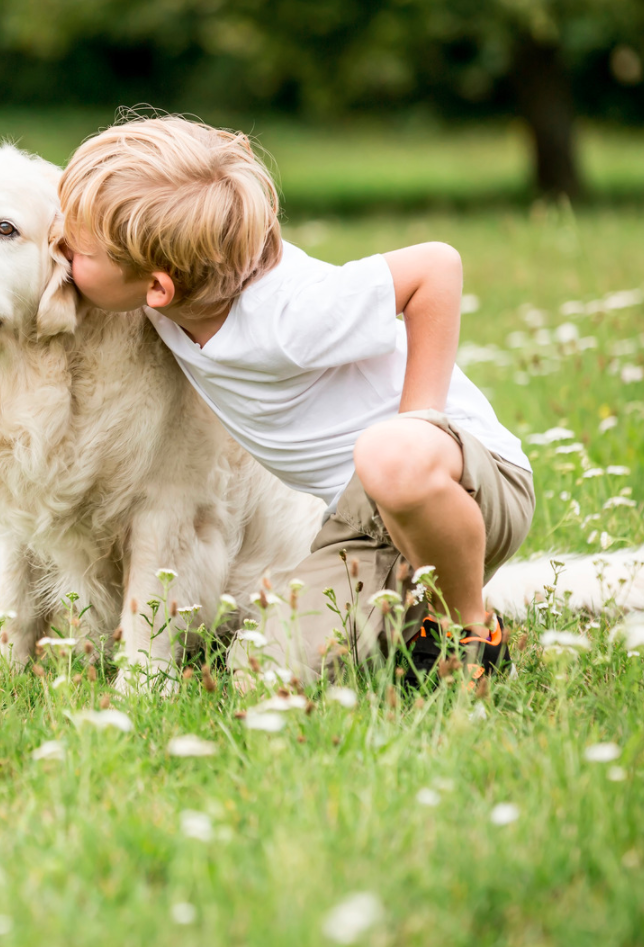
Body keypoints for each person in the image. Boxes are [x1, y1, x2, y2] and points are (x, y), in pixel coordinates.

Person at [59, 114, 534, 681]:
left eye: (76, 248)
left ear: (157, 288)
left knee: (391, 456)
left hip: (467, 483)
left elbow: (437, 267)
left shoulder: (290, 313)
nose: (57, 248)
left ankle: (470, 629)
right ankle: (405, 624)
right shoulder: (178, 298)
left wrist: (421, 423)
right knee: (263, 673)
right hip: (363, 521)